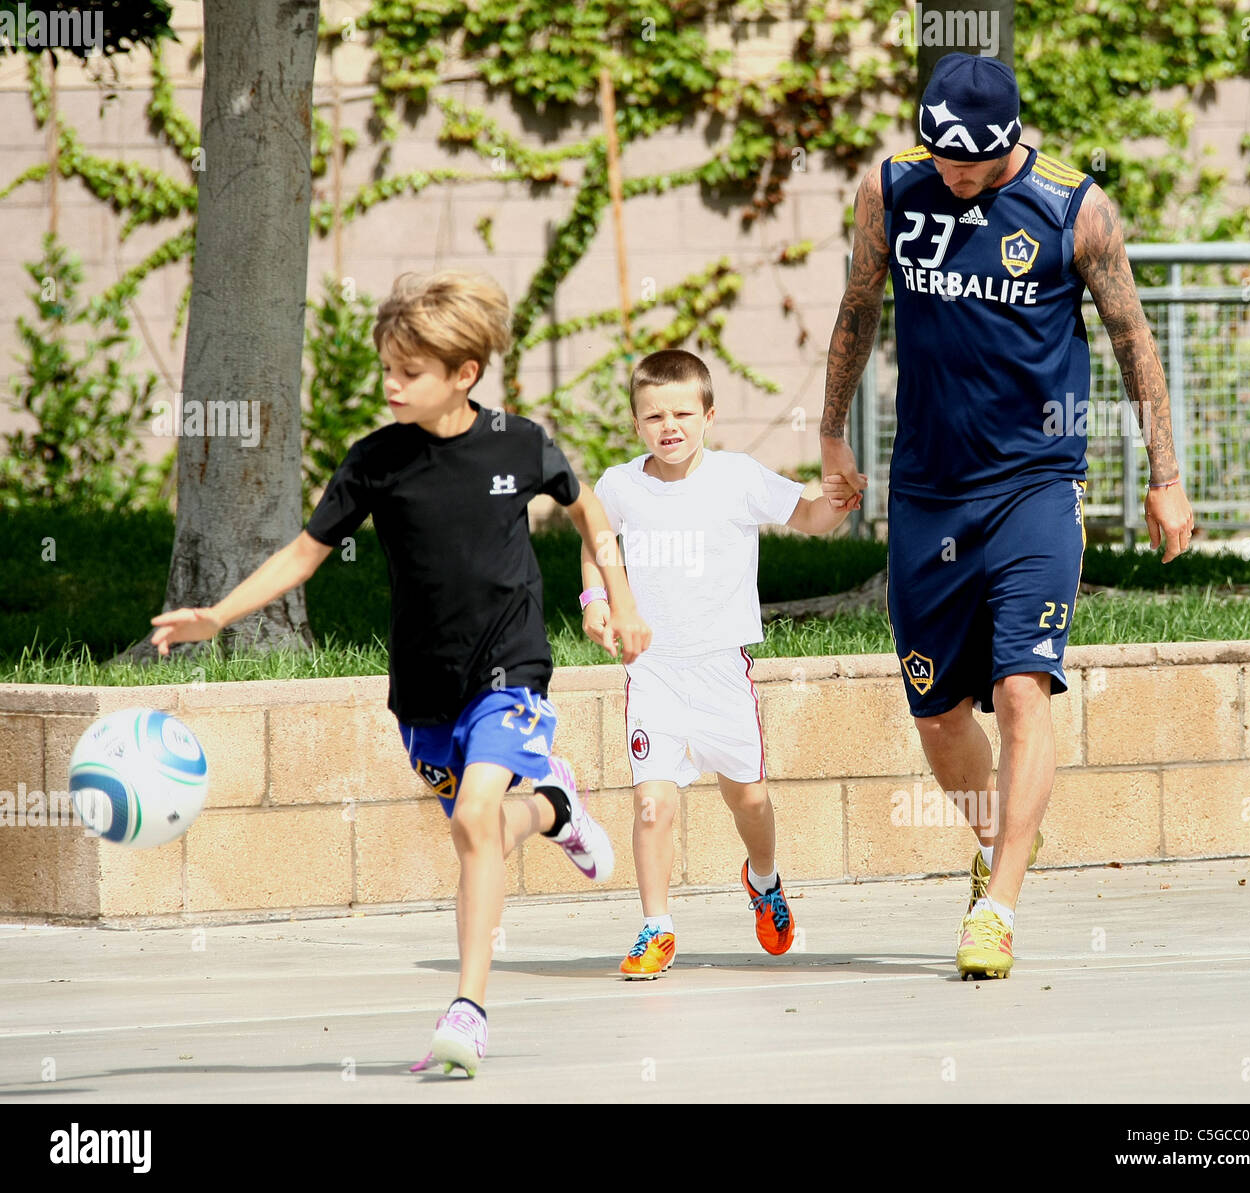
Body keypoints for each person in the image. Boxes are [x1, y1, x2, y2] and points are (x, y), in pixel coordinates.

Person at [151, 271, 652, 1073]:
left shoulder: (518, 443)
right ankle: (556, 808)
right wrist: (217, 615)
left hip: (510, 667)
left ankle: (469, 1010)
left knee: (471, 821)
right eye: (387, 367)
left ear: (463, 374)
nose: (391, 383)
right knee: (481, 822)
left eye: (408, 372)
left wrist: (611, 595)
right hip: (423, 688)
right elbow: (302, 554)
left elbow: (589, 509)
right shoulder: (375, 461)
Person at [819, 53, 1194, 979]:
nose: (952, 172)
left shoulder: (1074, 208)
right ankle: (996, 848)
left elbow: (1130, 335)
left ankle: (1001, 908)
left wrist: (1166, 475)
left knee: (1025, 687)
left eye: (971, 163)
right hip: (928, 487)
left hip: (1035, 479)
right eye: (940, 153)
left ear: (1008, 143)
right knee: (942, 717)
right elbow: (859, 305)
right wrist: (829, 433)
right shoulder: (894, 189)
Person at [581, 349, 850, 978]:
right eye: (654, 416)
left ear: (709, 415)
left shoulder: (738, 477)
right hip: (654, 670)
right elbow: (596, 542)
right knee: (653, 803)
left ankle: (763, 881)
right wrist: (594, 598)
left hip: (723, 671)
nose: (668, 426)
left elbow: (809, 516)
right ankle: (656, 927)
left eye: (681, 412)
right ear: (635, 423)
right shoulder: (619, 485)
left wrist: (839, 500)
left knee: (749, 800)